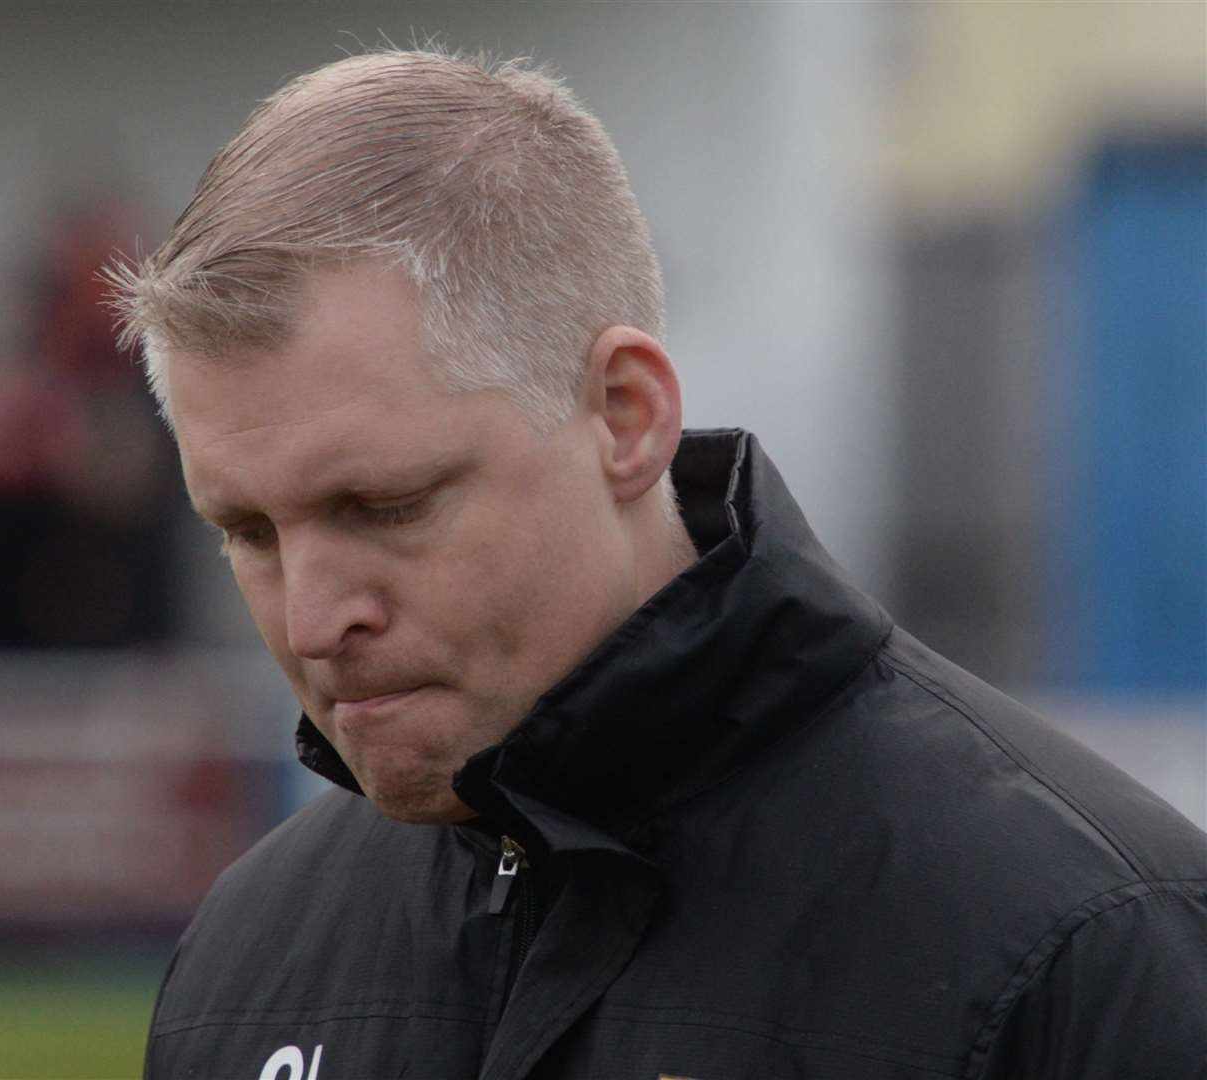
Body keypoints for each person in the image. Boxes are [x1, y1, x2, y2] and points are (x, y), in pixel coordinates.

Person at [107, 48, 1207, 1080]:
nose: (309, 621)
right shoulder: (245, 961)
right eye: (247, 532)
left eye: (385, 505)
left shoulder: (1086, 942)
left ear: (627, 417)